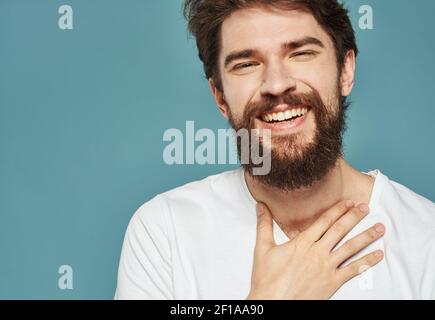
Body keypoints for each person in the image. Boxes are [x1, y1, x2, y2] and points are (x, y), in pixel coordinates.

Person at [115, 0, 435, 299]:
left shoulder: (426, 239)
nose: (277, 84)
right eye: (247, 64)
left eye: (300, 53)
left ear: (345, 71)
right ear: (220, 96)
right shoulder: (163, 233)